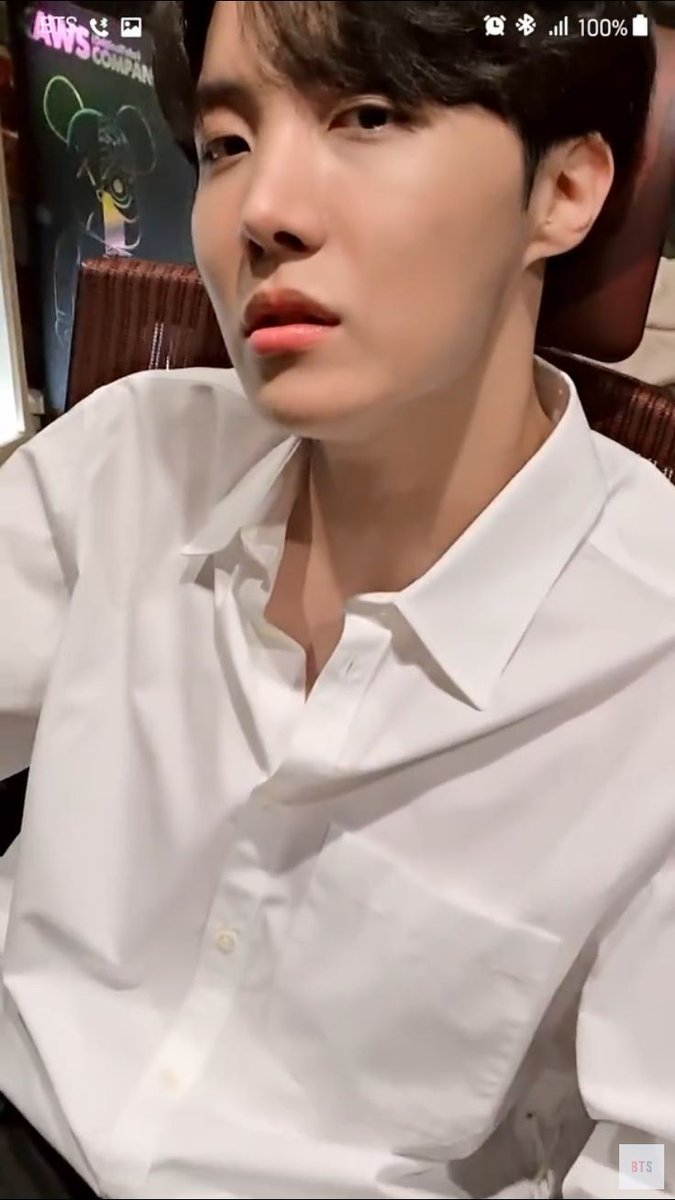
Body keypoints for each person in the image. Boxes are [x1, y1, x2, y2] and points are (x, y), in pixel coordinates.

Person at [0, 1, 671, 1196]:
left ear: (563, 190)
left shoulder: (647, 665)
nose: (263, 211)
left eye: (366, 115)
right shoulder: (129, 459)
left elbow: (642, 1157)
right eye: (226, 144)